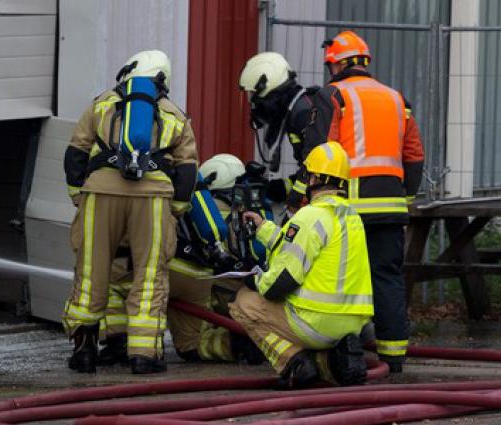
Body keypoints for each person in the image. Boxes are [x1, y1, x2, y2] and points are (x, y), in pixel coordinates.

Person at [62, 50, 199, 374]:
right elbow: (187, 171)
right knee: (150, 275)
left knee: (91, 271)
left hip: (100, 193)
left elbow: (75, 154)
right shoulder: (175, 115)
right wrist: (174, 211)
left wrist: (80, 197)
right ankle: (143, 355)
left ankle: (84, 350)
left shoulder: (101, 104)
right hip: (152, 198)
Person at [304, 31, 425, 373]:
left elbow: (320, 152)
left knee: (344, 280)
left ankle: (348, 354)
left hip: (348, 208)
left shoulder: (334, 95)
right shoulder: (396, 99)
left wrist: (304, 197)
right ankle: (393, 357)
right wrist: (405, 197)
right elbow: (414, 156)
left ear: (338, 65)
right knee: (387, 277)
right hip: (391, 208)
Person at [98, 154, 269, 366]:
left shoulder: (168, 191)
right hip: (201, 280)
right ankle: (234, 344)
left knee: (111, 282)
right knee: (192, 343)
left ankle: (119, 341)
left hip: (173, 268)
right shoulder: (245, 210)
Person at [230, 142, 373, 388]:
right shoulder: (351, 216)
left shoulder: (309, 215)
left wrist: (254, 278)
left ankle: (293, 363)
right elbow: (299, 245)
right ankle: (331, 364)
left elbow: (281, 282)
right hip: (353, 324)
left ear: (314, 178)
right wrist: (263, 228)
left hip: (316, 322)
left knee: (243, 302)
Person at [238, 52, 321, 213]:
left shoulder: (303, 114)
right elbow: (307, 170)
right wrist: (279, 188)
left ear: (269, 90)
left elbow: (318, 171)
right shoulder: (296, 110)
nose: (252, 104)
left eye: (253, 95)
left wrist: (294, 197)